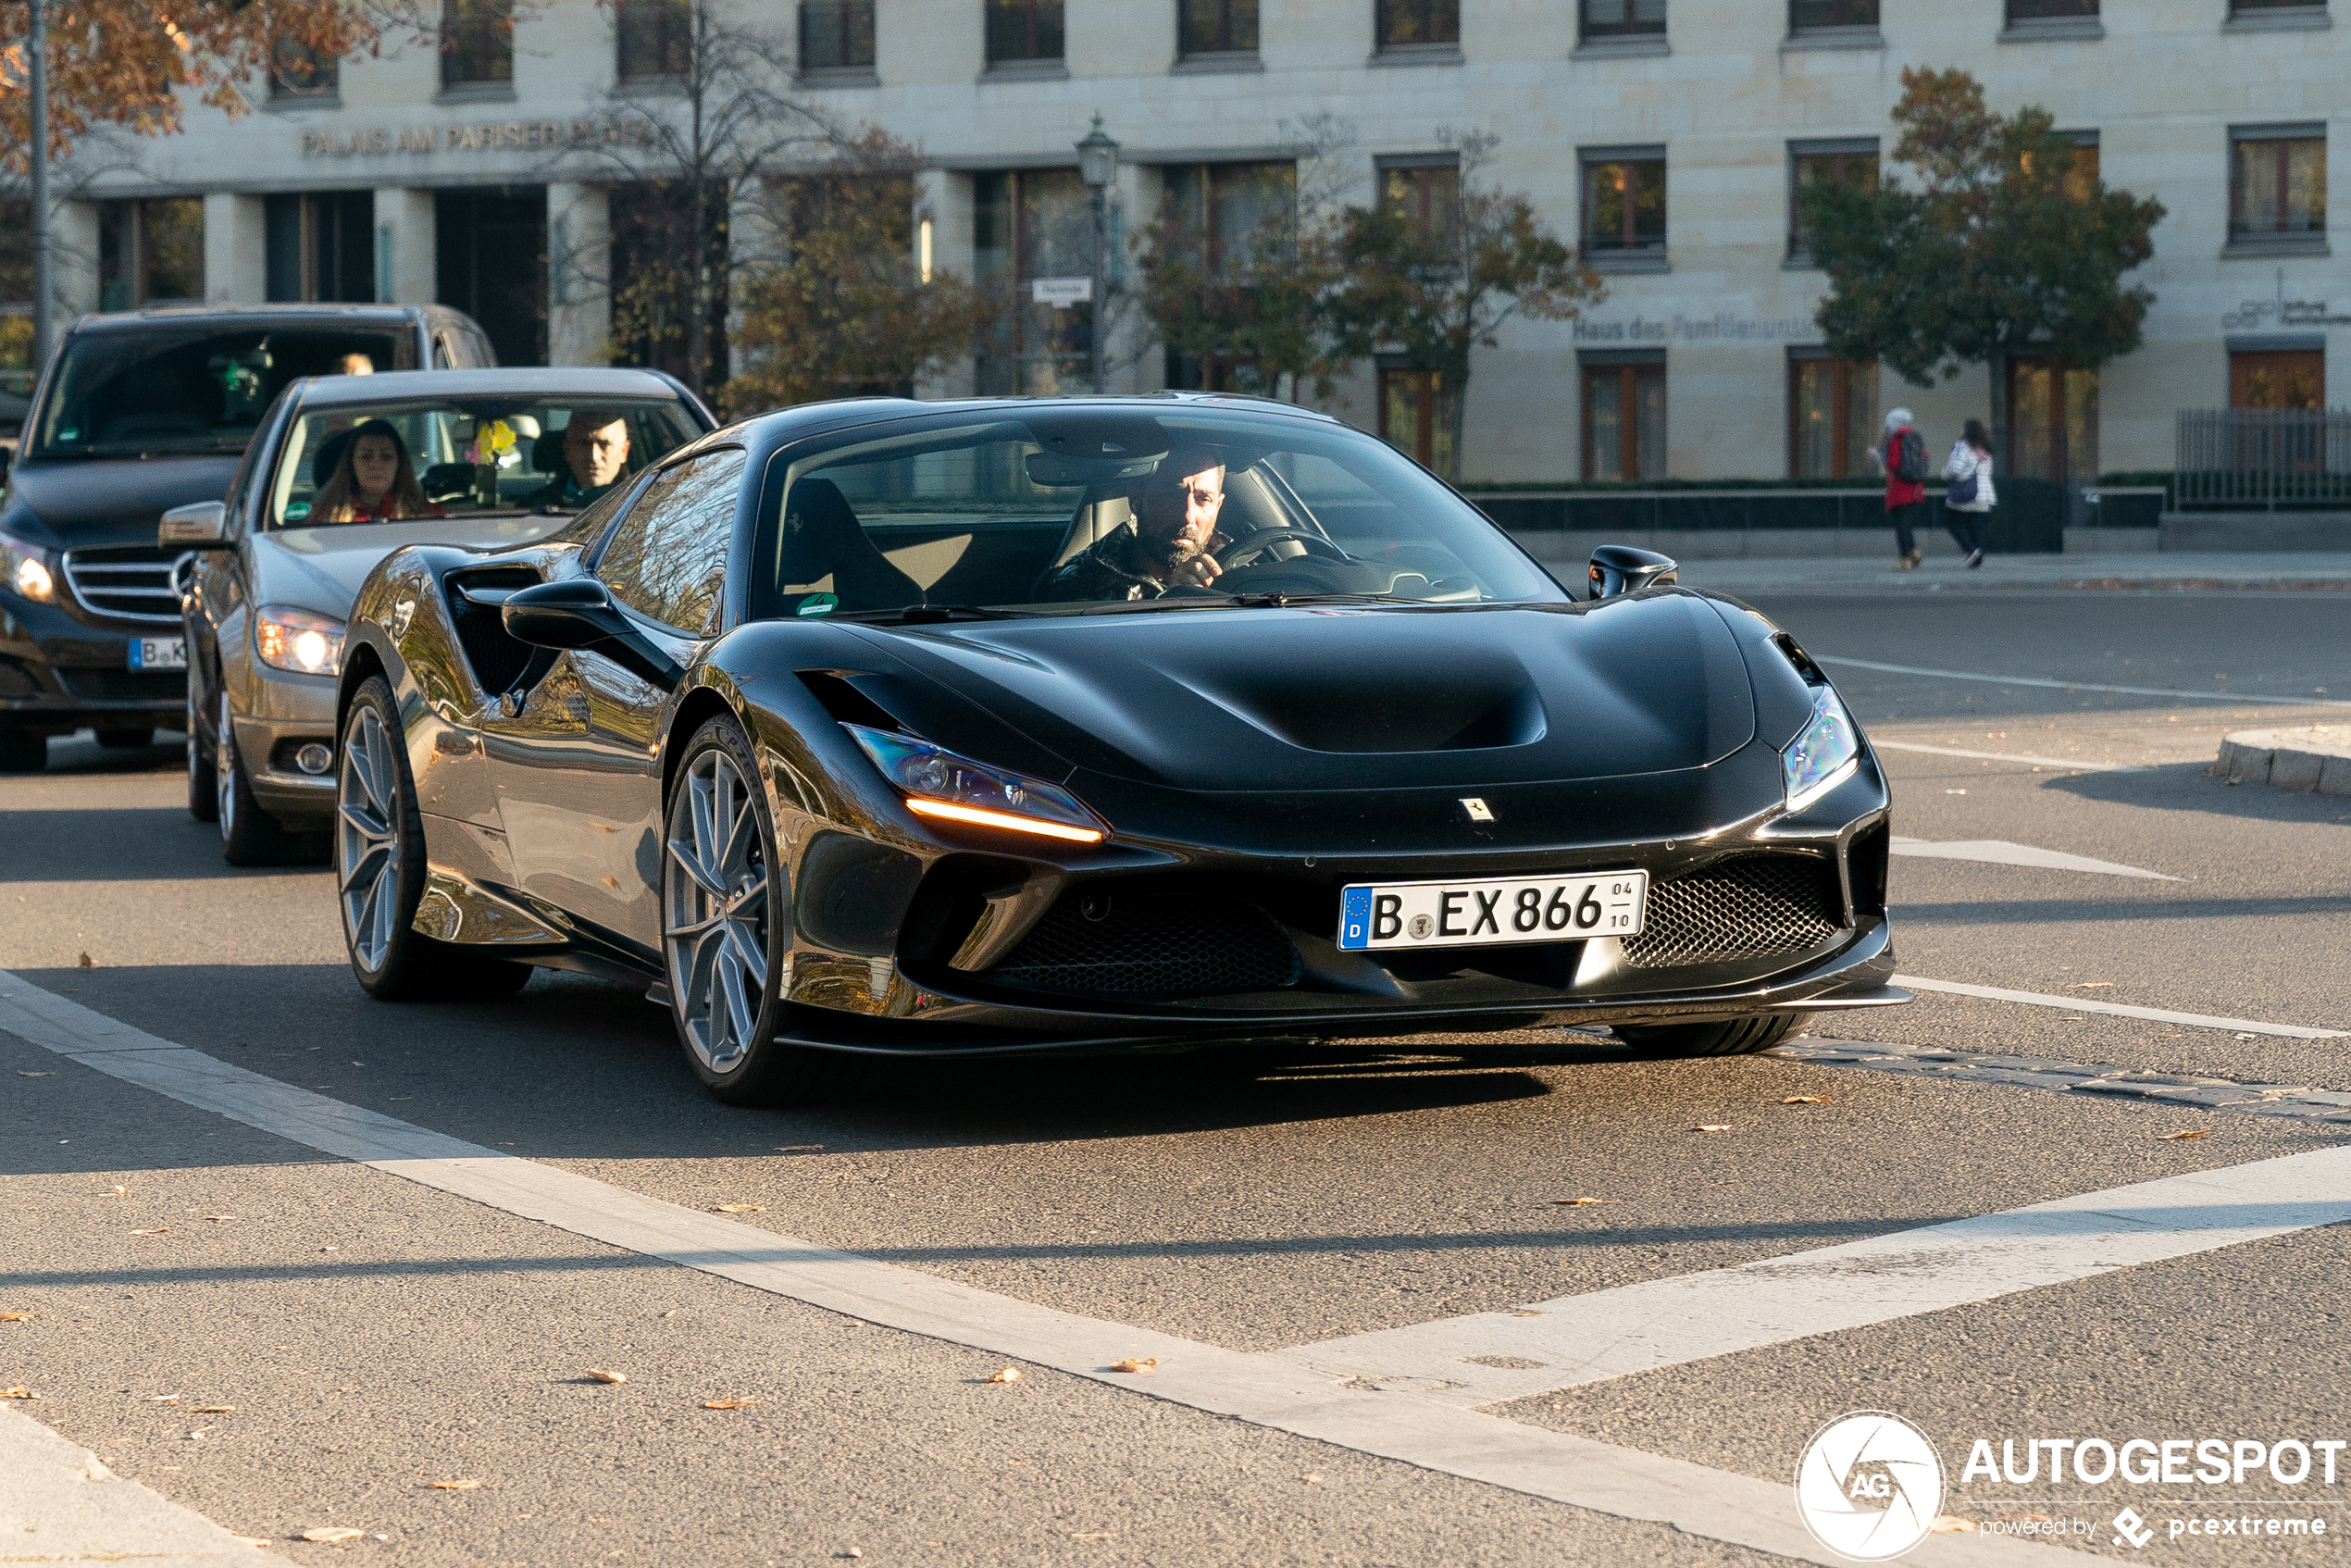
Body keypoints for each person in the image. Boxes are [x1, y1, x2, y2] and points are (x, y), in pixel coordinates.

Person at [1043, 447, 1231, 602]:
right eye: (1171, 495)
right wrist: (1173, 603)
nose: (1187, 516)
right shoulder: (1083, 581)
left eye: (1203, 499)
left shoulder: (1243, 564)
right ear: (1136, 498)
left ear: (1218, 506)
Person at [309, 419, 443, 523]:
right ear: (351, 464)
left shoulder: (427, 514)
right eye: (366, 457)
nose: (376, 465)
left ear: (400, 465)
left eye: (386, 457)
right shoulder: (324, 516)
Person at [526, 409, 633, 511]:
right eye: (584, 444)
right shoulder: (531, 507)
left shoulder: (639, 504)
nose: (593, 456)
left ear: (624, 451)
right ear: (567, 450)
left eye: (605, 444)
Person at [1870, 407, 1929, 571]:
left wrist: (1878, 457)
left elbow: (1893, 463)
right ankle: (1913, 552)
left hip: (1899, 488)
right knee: (1906, 523)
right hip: (1915, 487)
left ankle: (1905, 557)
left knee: (1900, 524)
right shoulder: (1915, 437)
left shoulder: (1897, 439)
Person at [1942, 417, 1996, 570]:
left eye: (1963, 428)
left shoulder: (1962, 446)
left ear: (1967, 430)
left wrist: (1944, 473)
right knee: (1974, 528)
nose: (1961, 431)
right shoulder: (1986, 447)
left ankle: (1971, 551)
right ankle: (1977, 560)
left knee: (1950, 522)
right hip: (1985, 495)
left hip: (1966, 493)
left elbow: (1955, 469)